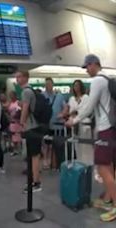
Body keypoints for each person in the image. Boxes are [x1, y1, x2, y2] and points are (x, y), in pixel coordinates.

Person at [66, 54, 116, 222]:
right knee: (108, 166)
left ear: (95, 64)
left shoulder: (97, 81)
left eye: (87, 66)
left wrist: (74, 120)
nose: (86, 70)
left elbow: (88, 107)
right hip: (111, 128)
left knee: (102, 167)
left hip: (105, 128)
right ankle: (108, 199)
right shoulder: (108, 79)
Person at [16, 71, 44, 193]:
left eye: (20, 76)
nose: (17, 79)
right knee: (35, 156)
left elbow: (26, 109)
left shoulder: (26, 91)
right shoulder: (31, 91)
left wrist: (21, 123)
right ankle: (35, 181)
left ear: (26, 78)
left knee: (33, 156)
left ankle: (35, 183)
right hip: (36, 126)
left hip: (31, 127)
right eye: (16, 77)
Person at [60, 80, 93, 164]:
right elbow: (71, 111)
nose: (76, 87)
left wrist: (76, 113)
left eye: (78, 85)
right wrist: (70, 114)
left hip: (85, 125)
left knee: (86, 147)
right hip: (74, 125)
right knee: (77, 146)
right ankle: (79, 164)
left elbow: (85, 111)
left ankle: (88, 165)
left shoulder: (86, 97)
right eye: (74, 86)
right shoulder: (71, 99)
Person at [42, 77, 67, 169]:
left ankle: (54, 161)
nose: (48, 86)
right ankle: (45, 159)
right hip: (46, 123)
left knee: (55, 144)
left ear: (52, 85)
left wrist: (62, 114)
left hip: (57, 125)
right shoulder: (42, 96)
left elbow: (65, 107)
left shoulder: (59, 96)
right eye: (46, 84)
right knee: (46, 143)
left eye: (49, 84)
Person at [8, 91, 22, 156]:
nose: (11, 97)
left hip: (18, 122)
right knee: (13, 136)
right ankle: (14, 150)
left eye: (12, 95)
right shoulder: (10, 103)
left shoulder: (18, 102)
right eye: (10, 95)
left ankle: (20, 150)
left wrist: (16, 114)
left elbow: (20, 110)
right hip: (12, 122)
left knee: (19, 136)